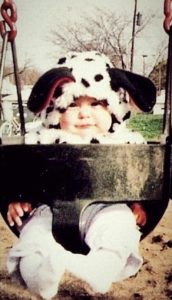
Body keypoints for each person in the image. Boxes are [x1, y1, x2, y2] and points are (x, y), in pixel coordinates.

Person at [6, 51, 156, 300]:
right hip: (49, 211)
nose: (84, 113)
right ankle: (41, 277)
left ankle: (95, 271)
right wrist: (19, 198)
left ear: (113, 107)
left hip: (108, 208)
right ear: (55, 110)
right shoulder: (40, 140)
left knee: (121, 229)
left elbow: (142, 176)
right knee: (31, 240)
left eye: (96, 104)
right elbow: (20, 169)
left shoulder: (126, 142)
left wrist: (138, 204)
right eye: (72, 104)